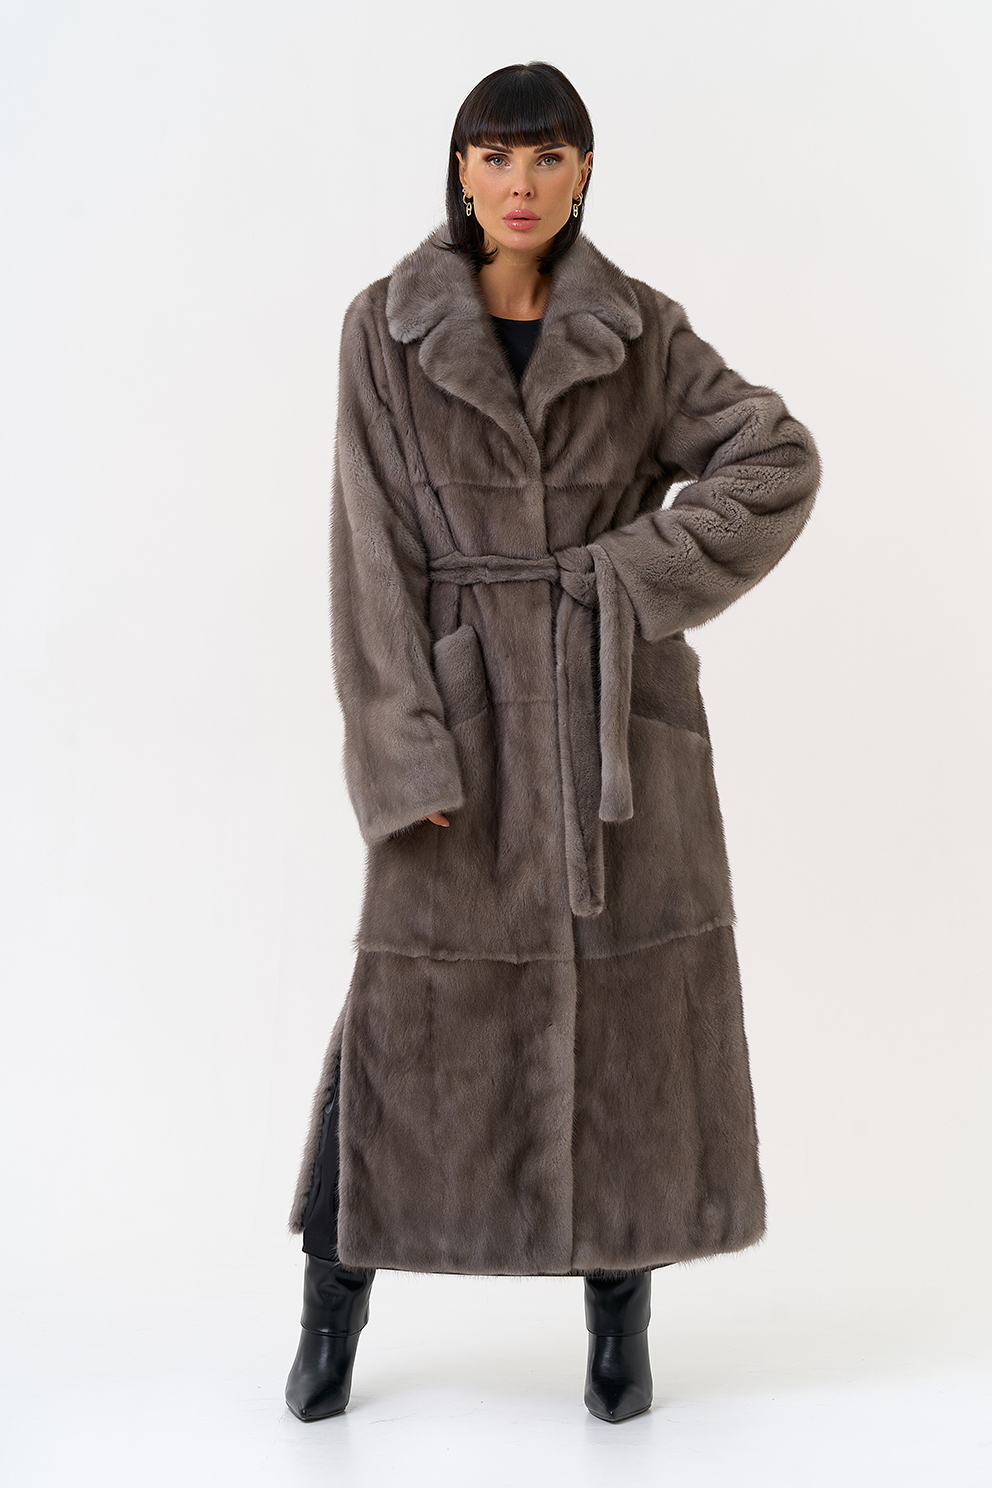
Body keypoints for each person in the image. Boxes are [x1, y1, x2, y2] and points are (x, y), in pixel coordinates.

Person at [284, 60, 821, 1425]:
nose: (520, 184)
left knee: (626, 1021)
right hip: (462, 722)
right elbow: (368, 552)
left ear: (583, 173)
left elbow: (775, 456)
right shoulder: (386, 328)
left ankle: (619, 1327)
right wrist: (404, 751)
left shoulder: (640, 331)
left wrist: (632, 575)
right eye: (496, 156)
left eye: (548, 157)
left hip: (610, 725)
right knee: (404, 1021)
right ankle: (332, 1309)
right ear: (461, 171)